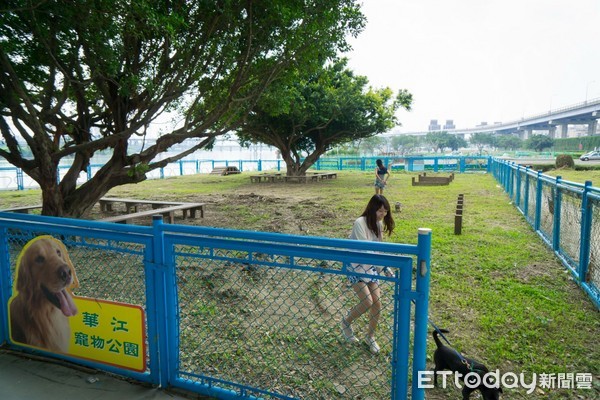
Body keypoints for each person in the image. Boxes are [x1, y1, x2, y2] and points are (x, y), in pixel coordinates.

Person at [341, 194, 395, 354]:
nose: (382, 215)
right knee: (367, 302)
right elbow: (364, 249)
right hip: (355, 266)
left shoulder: (378, 225)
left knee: (377, 303)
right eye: (380, 211)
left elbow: (378, 249)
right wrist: (380, 265)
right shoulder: (360, 223)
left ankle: (370, 337)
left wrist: (385, 268)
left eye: (385, 212)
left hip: (370, 266)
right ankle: (346, 323)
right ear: (372, 209)